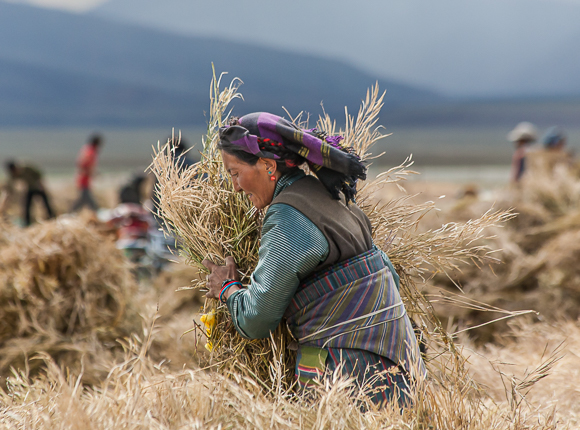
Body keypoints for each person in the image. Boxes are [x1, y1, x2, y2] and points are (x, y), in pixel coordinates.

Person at [202, 112, 426, 407]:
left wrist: (227, 287)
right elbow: (387, 275)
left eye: (234, 173)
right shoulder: (330, 196)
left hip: (350, 381)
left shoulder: (288, 216)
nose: (235, 186)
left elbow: (257, 318)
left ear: (268, 165)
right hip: (399, 365)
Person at [4, 160, 55, 226]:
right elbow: (10, 184)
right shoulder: (14, 174)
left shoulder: (26, 168)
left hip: (38, 187)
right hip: (30, 189)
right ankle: (27, 222)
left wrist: (40, 183)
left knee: (46, 204)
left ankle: (52, 218)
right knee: (27, 206)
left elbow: (38, 174)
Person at [71, 134, 102, 212]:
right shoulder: (90, 152)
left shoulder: (87, 149)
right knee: (88, 199)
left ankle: (71, 213)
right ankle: (97, 212)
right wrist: (88, 172)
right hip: (84, 179)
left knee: (83, 199)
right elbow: (83, 164)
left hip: (85, 179)